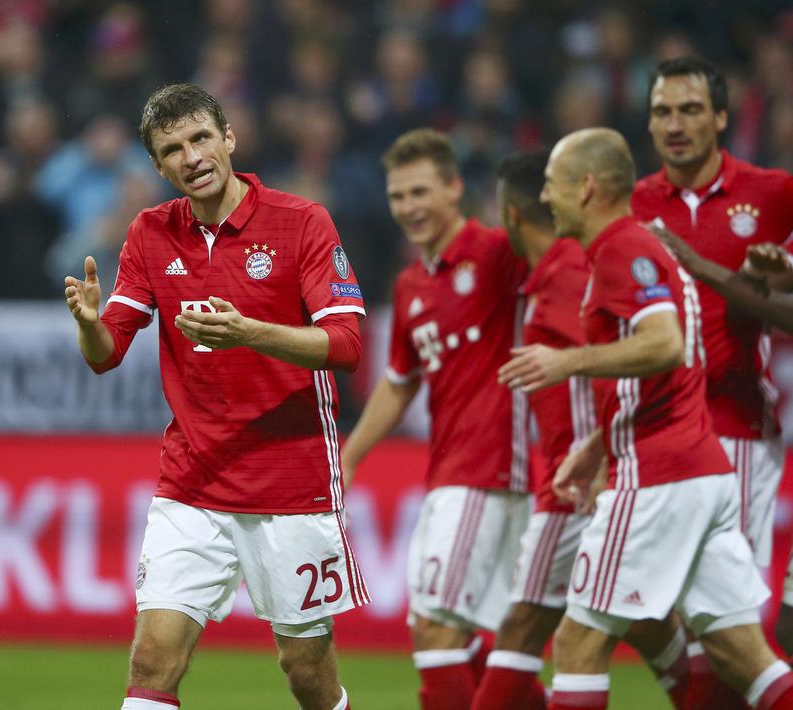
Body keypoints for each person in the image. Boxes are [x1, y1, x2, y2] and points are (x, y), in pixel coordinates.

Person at [63, 83, 368, 710]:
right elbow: (107, 355)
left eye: (201, 138)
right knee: (151, 660)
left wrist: (249, 333)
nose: (191, 157)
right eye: (172, 149)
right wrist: (91, 325)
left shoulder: (301, 221)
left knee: (305, 671)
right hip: (193, 480)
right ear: (156, 165)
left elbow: (345, 344)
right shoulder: (150, 232)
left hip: (291, 479)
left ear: (228, 138)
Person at [498, 127, 793, 710]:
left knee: (577, 644)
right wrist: (599, 444)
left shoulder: (621, 250)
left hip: (659, 476)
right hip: (700, 472)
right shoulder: (633, 248)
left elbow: (664, 345)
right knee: (747, 660)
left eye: (554, 186)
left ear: (585, 188)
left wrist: (569, 360)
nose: (547, 199)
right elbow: (663, 372)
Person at [471, 151, 689, 709]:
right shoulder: (556, 272)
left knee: (524, 624)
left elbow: (617, 359)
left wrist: (601, 461)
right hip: (587, 475)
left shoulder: (570, 271)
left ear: (511, 214)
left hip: (577, 486)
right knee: (646, 626)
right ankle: (711, 696)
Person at [339, 128, 530, 710]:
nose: (410, 208)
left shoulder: (500, 253)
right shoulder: (412, 283)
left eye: (422, 192)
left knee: (436, 624)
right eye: (399, 197)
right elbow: (399, 385)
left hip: (490, 466)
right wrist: (346, 460)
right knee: (485, 636)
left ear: (454, 189)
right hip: (454, 470)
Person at [633, 56, 793, 676]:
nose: (675, 124)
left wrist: (757, 279)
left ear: (722, 117)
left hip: (737, 435)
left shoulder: (774, 195)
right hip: (651, 437)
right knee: (643, 614)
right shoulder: (633, 202)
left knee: (730, 633)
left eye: (691, 109)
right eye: (663, 112)